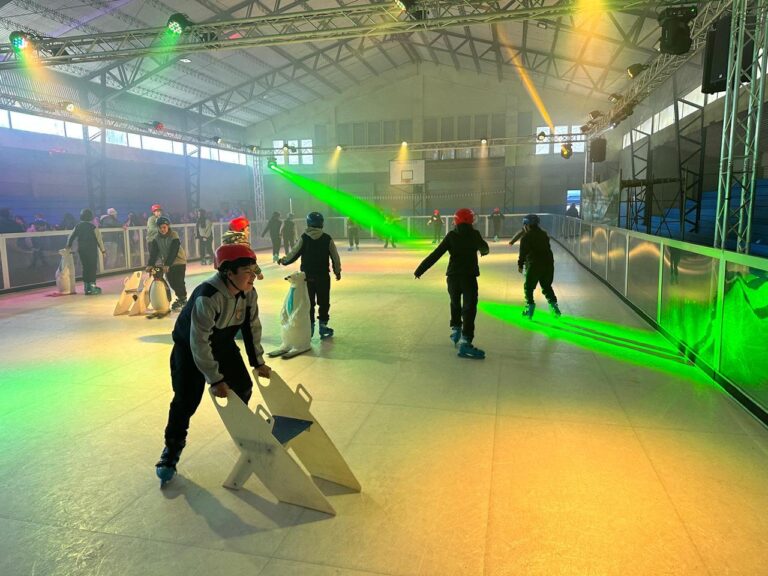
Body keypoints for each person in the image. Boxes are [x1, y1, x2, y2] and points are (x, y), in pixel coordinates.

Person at [154, 243, 271, 485]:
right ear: (228, 272)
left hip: (223, 344)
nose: (253, 276)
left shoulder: (249, 293)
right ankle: (171, 451)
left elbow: (251, 327)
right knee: (185, 401)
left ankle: (242, 431)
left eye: (254, 270)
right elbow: (198, 342)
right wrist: (215, 379)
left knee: (243, 386)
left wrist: (257, 361)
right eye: (247, 271)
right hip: (189, 349)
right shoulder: (208, 296)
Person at [414, 208, 489, 359]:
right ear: (470, 220)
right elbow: (485, 248)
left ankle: (456, 329)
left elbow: (436, 254)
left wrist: (420, 270)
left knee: (455, 302)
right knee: (469, 307)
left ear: (456, 221)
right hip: (469, 278)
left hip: (453, 277)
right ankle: (466, 340)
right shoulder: (475, 234)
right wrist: (482, 250)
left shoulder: (451, 235)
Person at [278, 211, 341, 338]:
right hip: (323, 275)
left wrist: (284, 261)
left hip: (307, 276)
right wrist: (337, 271)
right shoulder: (327, 238)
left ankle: (310, 327)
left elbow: (294, 253)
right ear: (321, 223)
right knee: (324, 301)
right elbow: (335, 257)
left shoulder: (304, 238)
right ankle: (323, 327)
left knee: (309, 302)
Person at [517, 213, 560, 319]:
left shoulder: (526, 237)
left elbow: (523, 252)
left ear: (526, 225)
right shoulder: (544, 234)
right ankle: (555, 308)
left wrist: (520, 264)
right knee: (546, 286)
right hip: (548, 264)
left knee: (528, 287)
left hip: (534, 264)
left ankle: (529, 308)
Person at [146, 216, 188, 311]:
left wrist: (167, 264)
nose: (162, 229)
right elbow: (154, 253)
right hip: (167, 263)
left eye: (164, 227)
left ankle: (183, 299)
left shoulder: (174, 235)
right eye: (160, 228)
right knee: (171, 281)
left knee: (179, 281)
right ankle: (181, 298)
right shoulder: (156, 238)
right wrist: (150, 264)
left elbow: (174, 250)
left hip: (179, 261)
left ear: (168, 226)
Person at [66, 208, 106, 295]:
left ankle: (86, 287)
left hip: (82, 250)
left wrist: (68, 246)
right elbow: (99, 240)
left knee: (85, 267)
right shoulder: (93, 228)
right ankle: (92, 287)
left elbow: (71, 237)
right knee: (92, 268)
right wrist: (103, 251)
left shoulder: (78, 226)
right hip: (91, 250)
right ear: (91, 217)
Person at [222, 216, 263, 280]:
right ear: (241, 230)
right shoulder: (242, 245)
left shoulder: (226, 242)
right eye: (247, 230)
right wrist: (258, 273)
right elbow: (250, 261)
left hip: (226, 276)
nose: (248, 233)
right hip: (239, 278)